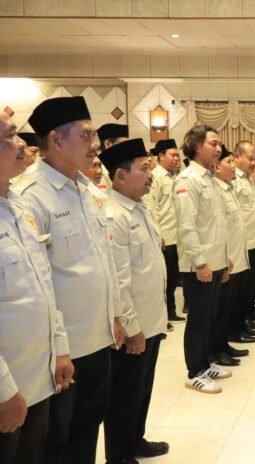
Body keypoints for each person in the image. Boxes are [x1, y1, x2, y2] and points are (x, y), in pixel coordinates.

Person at [17, 96, 125, 464]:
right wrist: (58, 347)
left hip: (98, 336)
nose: (95, 144)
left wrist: (114, 315)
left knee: (88, 425)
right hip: (64, 349)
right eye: (86, 135)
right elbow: (39, 280)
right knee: (58, 439)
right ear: (57, 139)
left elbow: (103, 260)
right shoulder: (32, 196)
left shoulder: (88, 189)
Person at [0, 111, 74, 464]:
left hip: (37, 377)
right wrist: (3, 391)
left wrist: (59, 349)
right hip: (7, 388)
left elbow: (43, 285)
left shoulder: (17, 206)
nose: (21, 144)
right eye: (9, 136)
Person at [100, 138, 170, 463]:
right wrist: (131, 326)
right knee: (124, 396)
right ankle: (120, 455)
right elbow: (118, 279)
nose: (150, 174)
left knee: (142, 390)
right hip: (135, 324)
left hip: (151, 318)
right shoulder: (114, 216)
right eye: (143, 168)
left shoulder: (140, 208)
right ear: (120, 175)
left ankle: (135, 441)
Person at [174, 125, 232, 394]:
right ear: (197, 146)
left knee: (210, 315)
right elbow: (187, 227)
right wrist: (200, 263)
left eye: (219, 144)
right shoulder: (188, 180)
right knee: (197, 319)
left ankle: (205, 363)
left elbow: (217, 223)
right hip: (199, 265)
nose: (218, 149)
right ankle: (194, 372)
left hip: (215, 260)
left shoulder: (210, 178)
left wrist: (225, 258)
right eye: (213, 143)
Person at [211, 145, 251, 365]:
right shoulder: (216, 190)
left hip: (235, 256)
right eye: (229, 162)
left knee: (229, 306)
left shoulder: (228, 188)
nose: (234, 166)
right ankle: (217, 349)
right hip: (227, 259)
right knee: (220, 309)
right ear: (217, 167)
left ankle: (224, 345)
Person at [142, 139, 185, 326]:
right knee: (163, 280)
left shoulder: (176, 177)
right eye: (173, 155)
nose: (177, 159)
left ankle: (171, 312)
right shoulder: (156, 177)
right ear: (160, 156)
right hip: (165, 237)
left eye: (178, 156)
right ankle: (162, 317)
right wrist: (157, 235)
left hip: (178, 236)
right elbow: (152, 208)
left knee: (173, 278)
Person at [231, 141, 255, 343]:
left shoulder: (247, 179)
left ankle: (243, 322)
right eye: (250, 158)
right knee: (239, 291)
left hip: (254, 241)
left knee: (248, 288)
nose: (254, 163)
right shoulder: (234, 179)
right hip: (243, 244)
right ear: (237, 157)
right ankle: (236, 327)